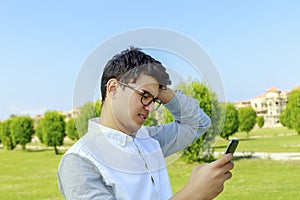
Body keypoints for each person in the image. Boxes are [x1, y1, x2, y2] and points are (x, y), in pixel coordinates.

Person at [57, 47, 234, 200]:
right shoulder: (79, 161)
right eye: (144, 96)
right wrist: (193, 194)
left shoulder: (149, 140)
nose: (149, 108)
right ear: (113, 88)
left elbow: (198, 123)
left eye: (153, 100)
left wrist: (159, 89)